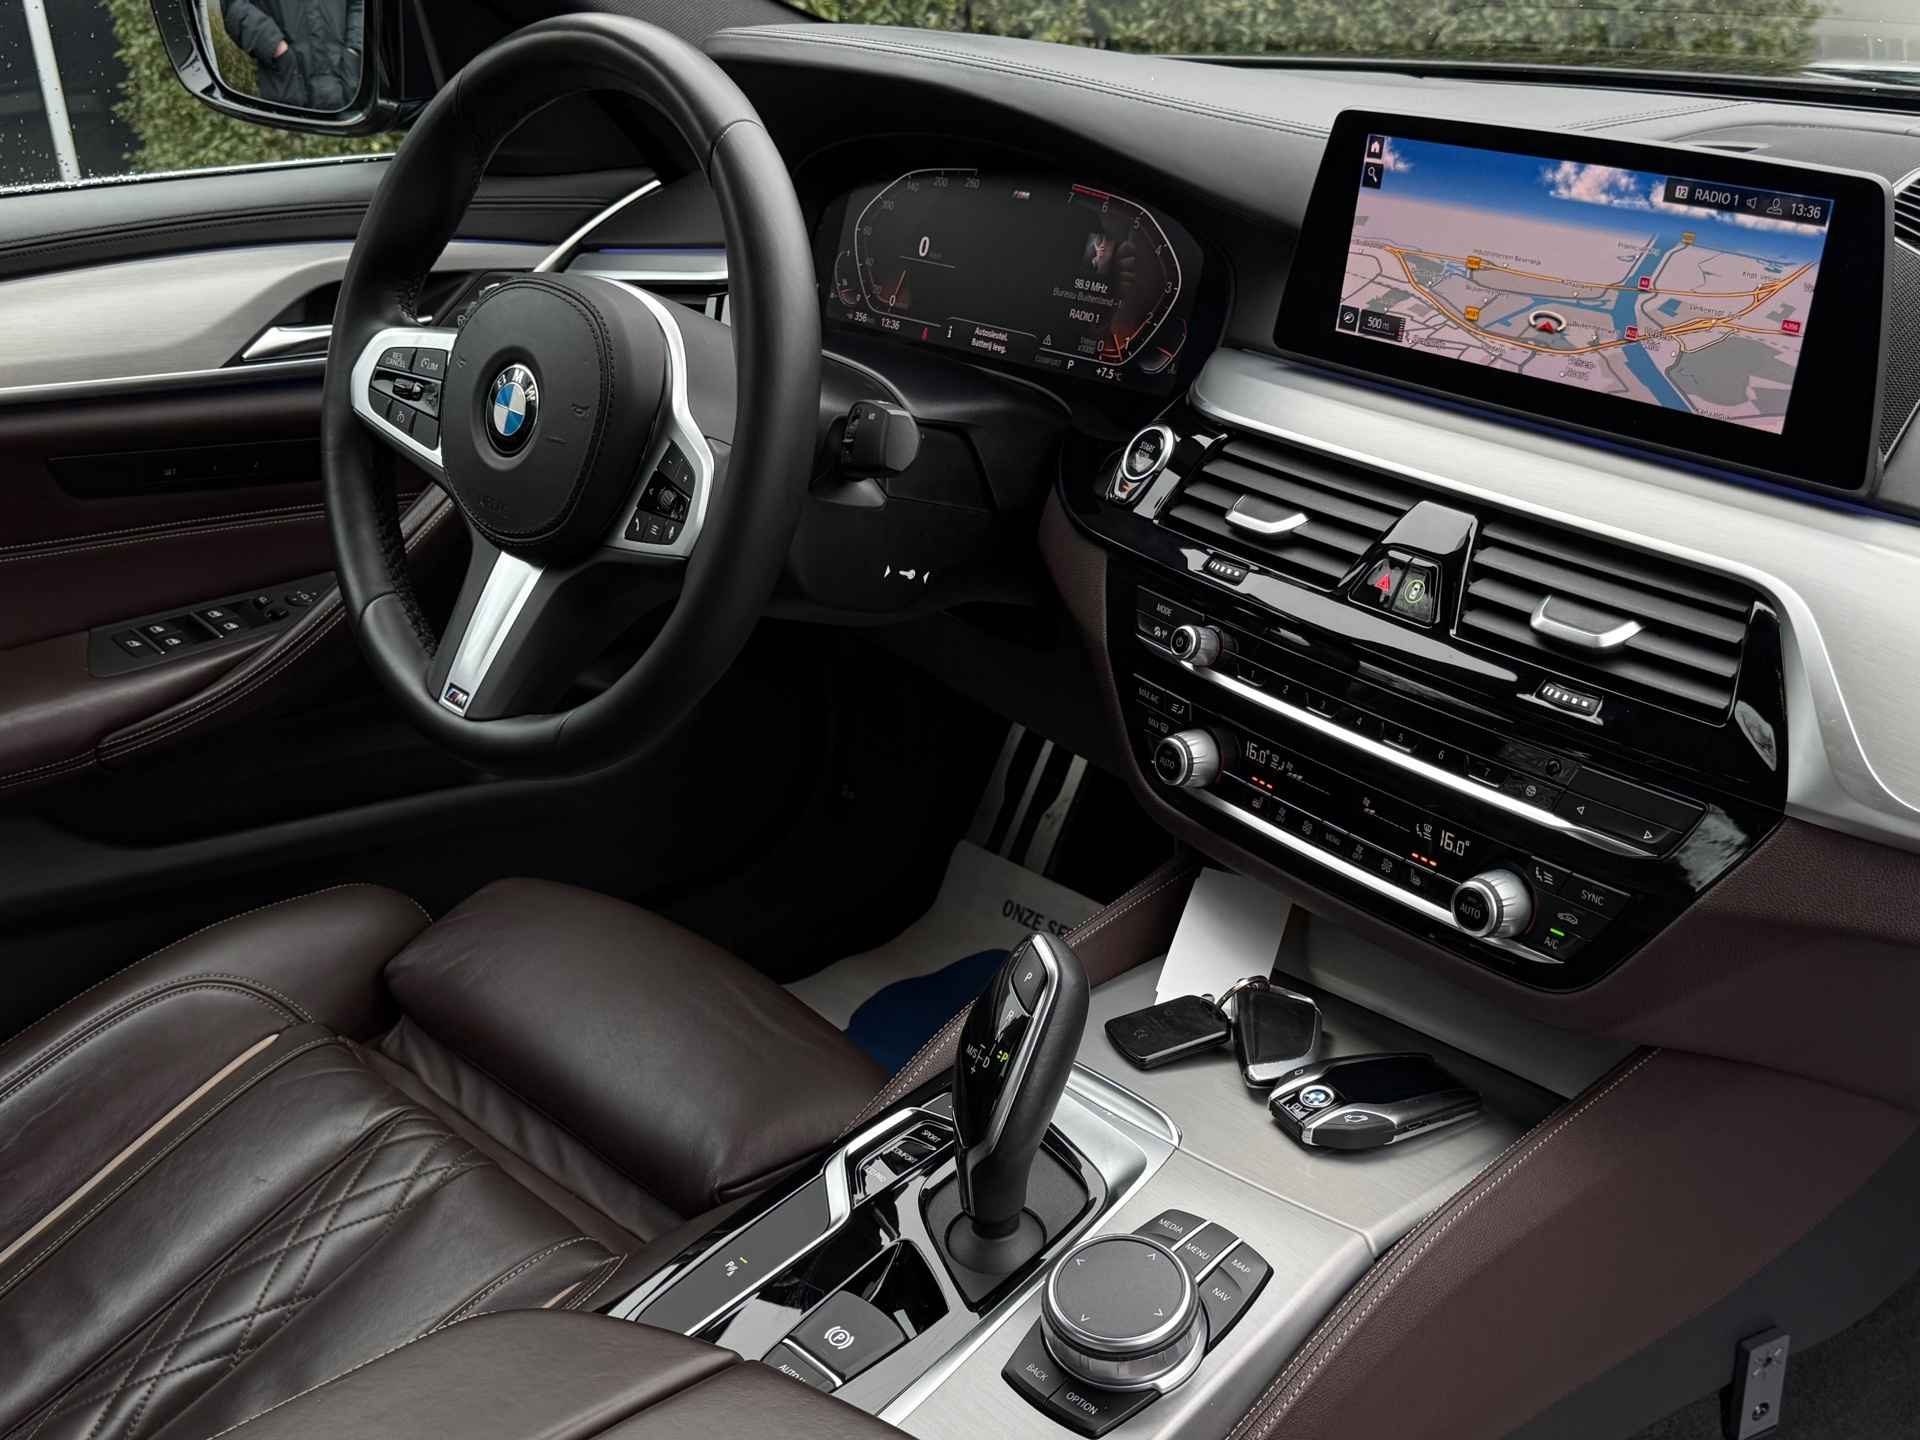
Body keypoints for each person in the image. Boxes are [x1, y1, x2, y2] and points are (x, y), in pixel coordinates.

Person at [220, 0, 364, 111]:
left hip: (348, 94)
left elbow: (359, 4)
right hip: (287, 95)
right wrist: (276, 48)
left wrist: (353, 49)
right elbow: (234, 6)